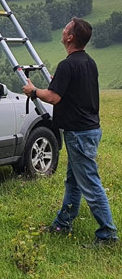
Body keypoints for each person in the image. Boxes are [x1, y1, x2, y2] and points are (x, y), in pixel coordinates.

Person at [22, 17, 118, 245]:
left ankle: (108, 234)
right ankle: (63, 223)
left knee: (91, 184)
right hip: (89, 130)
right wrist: (58, 83)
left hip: (79, 134)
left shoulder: (67, 64)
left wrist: (33, 90)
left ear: (70, 37)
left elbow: (54, 97)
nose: (63, 29)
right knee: (74, 182)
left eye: (66, 28)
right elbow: (74, 89)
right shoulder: (88, 62)